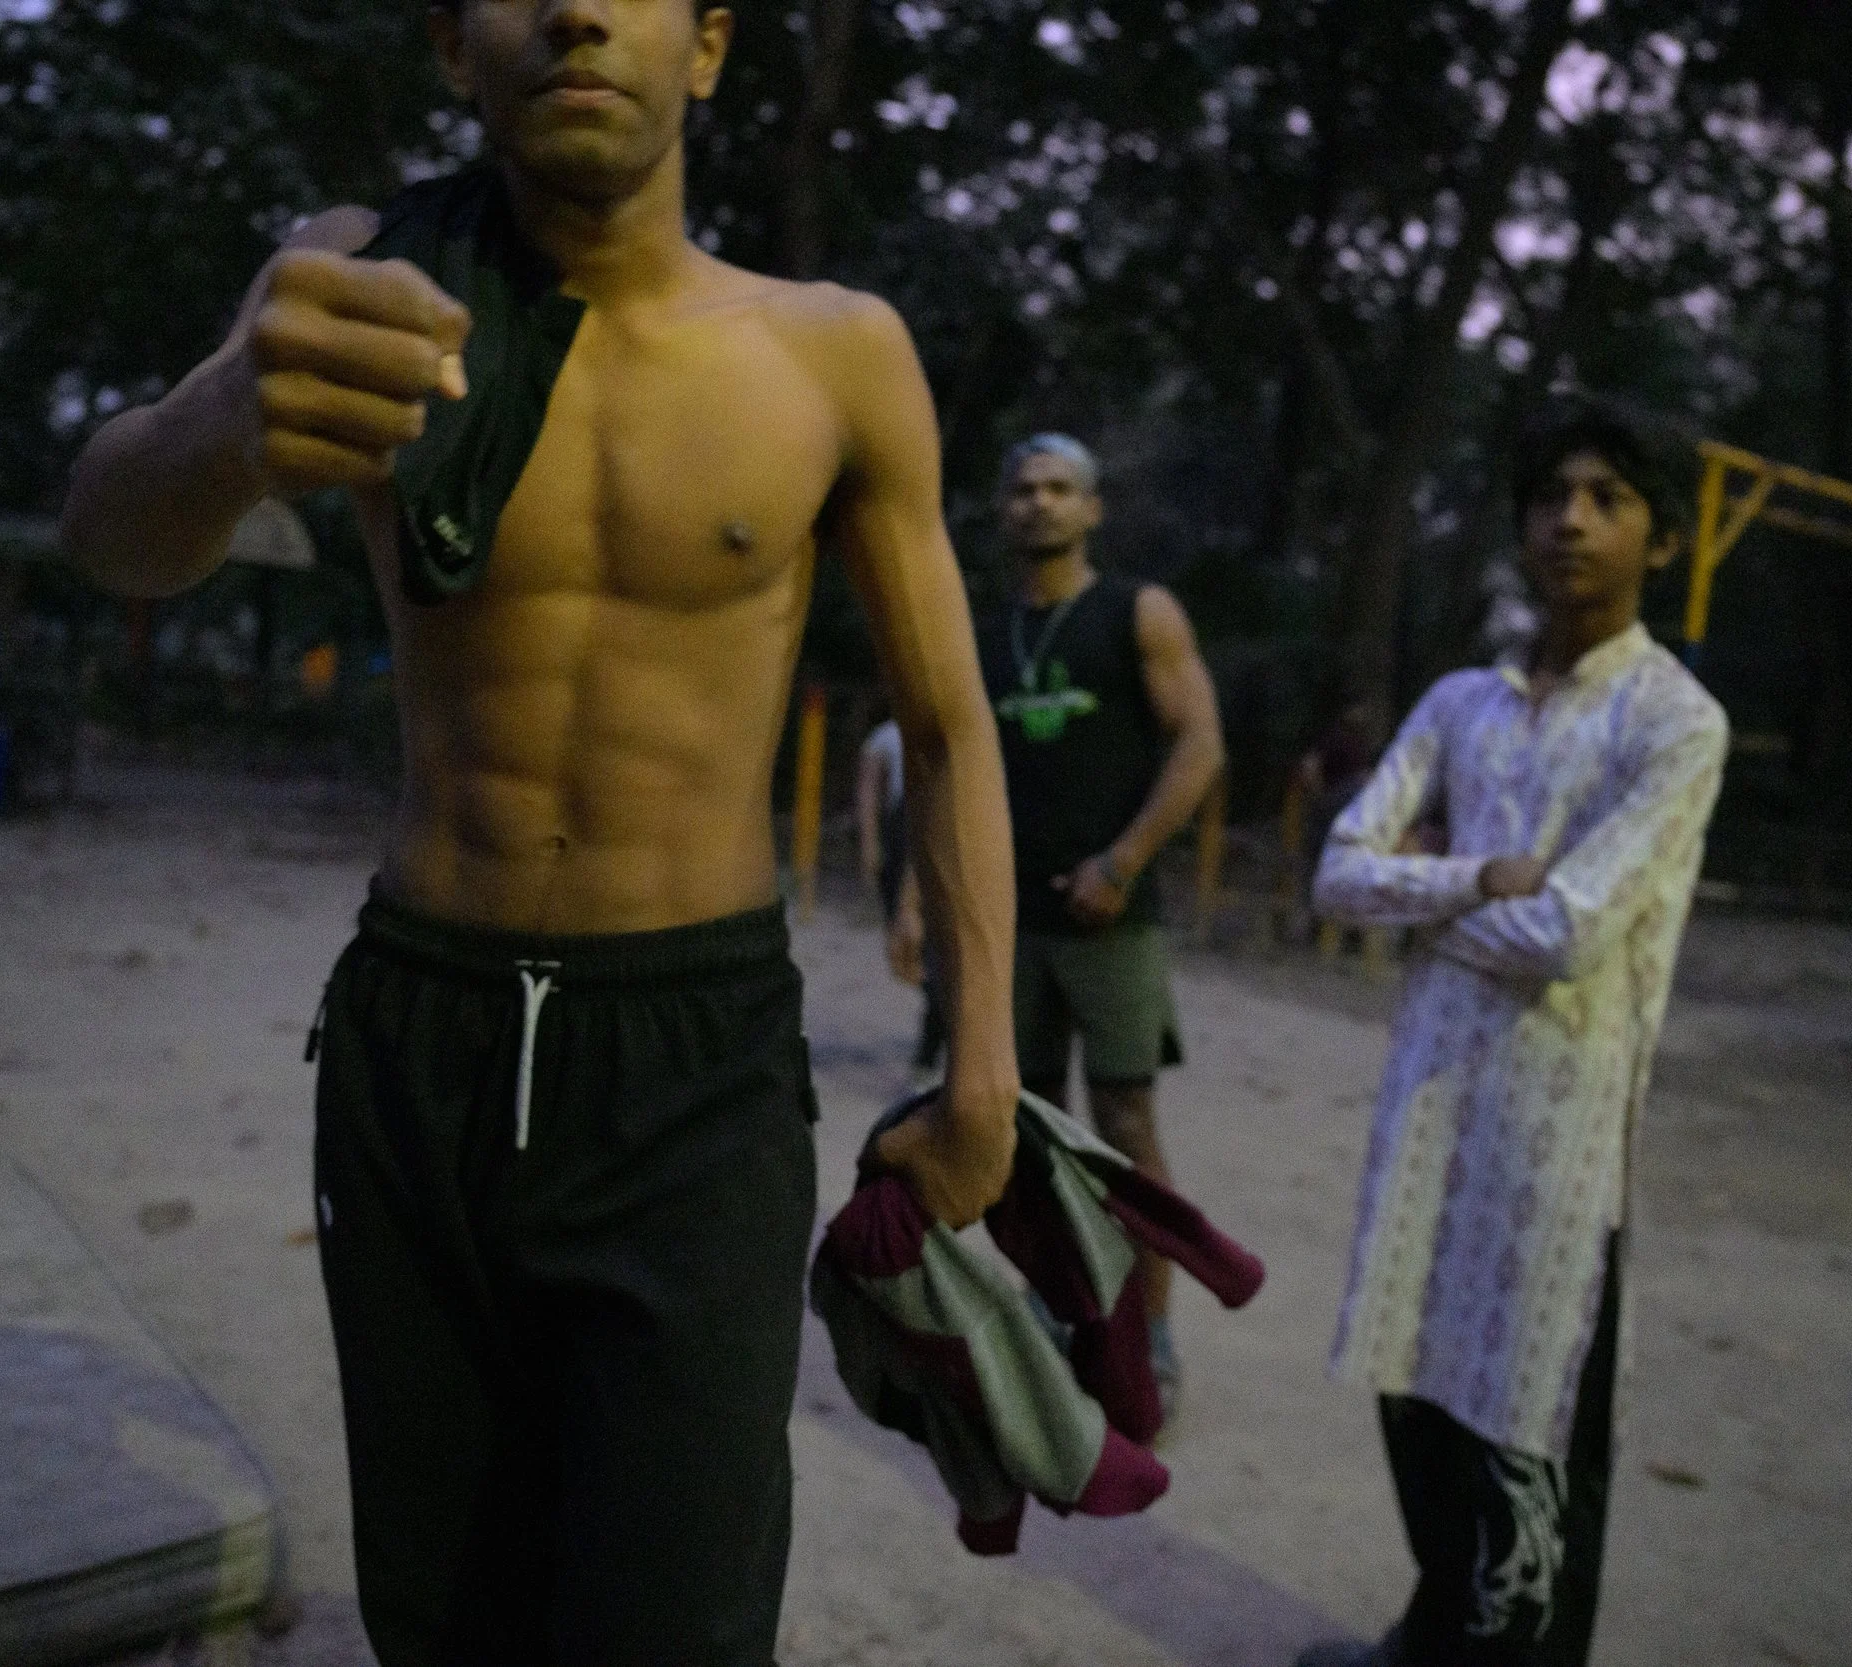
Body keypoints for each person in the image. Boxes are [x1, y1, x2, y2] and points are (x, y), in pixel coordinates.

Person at [59, 3, 1021, 1661]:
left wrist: (987, 1064)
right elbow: (116, 537)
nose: (578, 7)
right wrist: (234, 413)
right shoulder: (365, 282)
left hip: (693, 1063)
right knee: (445, 1611)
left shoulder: (833, 351)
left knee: (678, 1611)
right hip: (419, 1028)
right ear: (452, 50)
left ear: (710, 48)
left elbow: (946, 725)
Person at [1306, 407, 1728, 1667]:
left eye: (1609, 497)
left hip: (1559, 1135)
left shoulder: (1672, 719)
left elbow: (1570, 933)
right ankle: (1430, 1632)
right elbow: (1336, 872)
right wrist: (1481, 874)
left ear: (1661, 535)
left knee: (1528, 1414)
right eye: (1551, 493)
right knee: (1414, 1378)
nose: (1573, 519)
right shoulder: (1460, 703)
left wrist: (1428, 895)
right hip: (1430, 1106)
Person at [904, 432, 1223, 1424]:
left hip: (1111, 923)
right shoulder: (981, 631)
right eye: (1022, 489)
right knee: (1022, 1132)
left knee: (1124, 1125)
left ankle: (1153, 1336)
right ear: (1000, 510)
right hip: (1009, 924)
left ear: (1091, 510)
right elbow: (943, 764)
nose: (1038, 503)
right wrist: (921, 898)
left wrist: (1123, 862)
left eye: (1059, 489)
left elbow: (1200, 744)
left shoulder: (1136, 613)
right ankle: (1053, 1322)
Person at [857, 713, 943, 1069]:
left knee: (937, 951)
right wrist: (870, 845)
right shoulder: (886, 736)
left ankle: (933, 1039)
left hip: (937, 836)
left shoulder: (944, 726)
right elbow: (869, 792)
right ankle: (937, 1024)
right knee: (912, 944)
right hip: (902, 836)